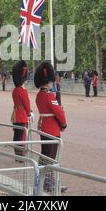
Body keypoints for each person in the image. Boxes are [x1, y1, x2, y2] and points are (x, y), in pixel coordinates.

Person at [34, 62, 67, 193]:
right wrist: (63, 124)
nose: (52, 83)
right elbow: (59, 112)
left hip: (44, 128)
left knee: (45, 156)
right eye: (51, 81)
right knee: (51, 158)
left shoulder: (40, 95)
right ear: (47, 81)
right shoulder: (48, 96)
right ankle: (49, 184)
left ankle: (42, 181)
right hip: (52, 129)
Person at [11, 60, 33, 161]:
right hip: (22, 115)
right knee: (22, 136)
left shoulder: (15, 90)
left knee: (17, 136)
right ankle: (21, 156)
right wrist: (30, 112)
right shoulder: (22, 90)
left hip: (16, 115)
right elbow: (27, 104)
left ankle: (17, 155)